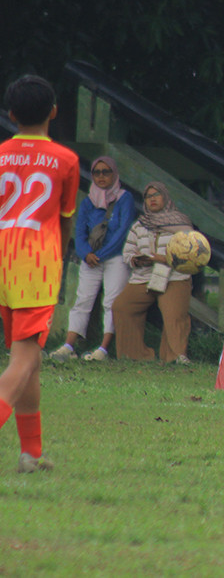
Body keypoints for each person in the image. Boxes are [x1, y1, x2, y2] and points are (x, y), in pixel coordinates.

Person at [0, 75, 80, 473]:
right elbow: (66, 220)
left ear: (11, 115)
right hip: (35, 263)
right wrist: (59, 262)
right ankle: (28, 451)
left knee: (28, 360)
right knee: (23, 359)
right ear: (53, 112)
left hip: (2, 256)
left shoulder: (0, 153)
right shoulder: (66, 160)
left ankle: (31, 454)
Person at [48, 156, 136, 362]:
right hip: (90, 258)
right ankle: (69, 345)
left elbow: (123, 231)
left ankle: (103, 348)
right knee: (82, 300)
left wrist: (101, 255)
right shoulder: (89, 201)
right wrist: (85, 253)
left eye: (106, 172)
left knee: (111, 301)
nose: (101, 176)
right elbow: (79, 231)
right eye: (97, 172)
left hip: (115, 257)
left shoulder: (124, 198)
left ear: (114, 174)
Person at [112, 182, 193, 364]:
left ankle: (175, 357)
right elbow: (127, 252)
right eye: (148, 196)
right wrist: (136, 259)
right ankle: (134, 355)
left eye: (157, 195)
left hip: (174, 276)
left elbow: (192, 252)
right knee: (122, 306)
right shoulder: (139, 225)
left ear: (165, 197)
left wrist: (165, 259)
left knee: (174, 314)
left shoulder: (181, 223)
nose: (153, 199)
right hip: (144, 276)